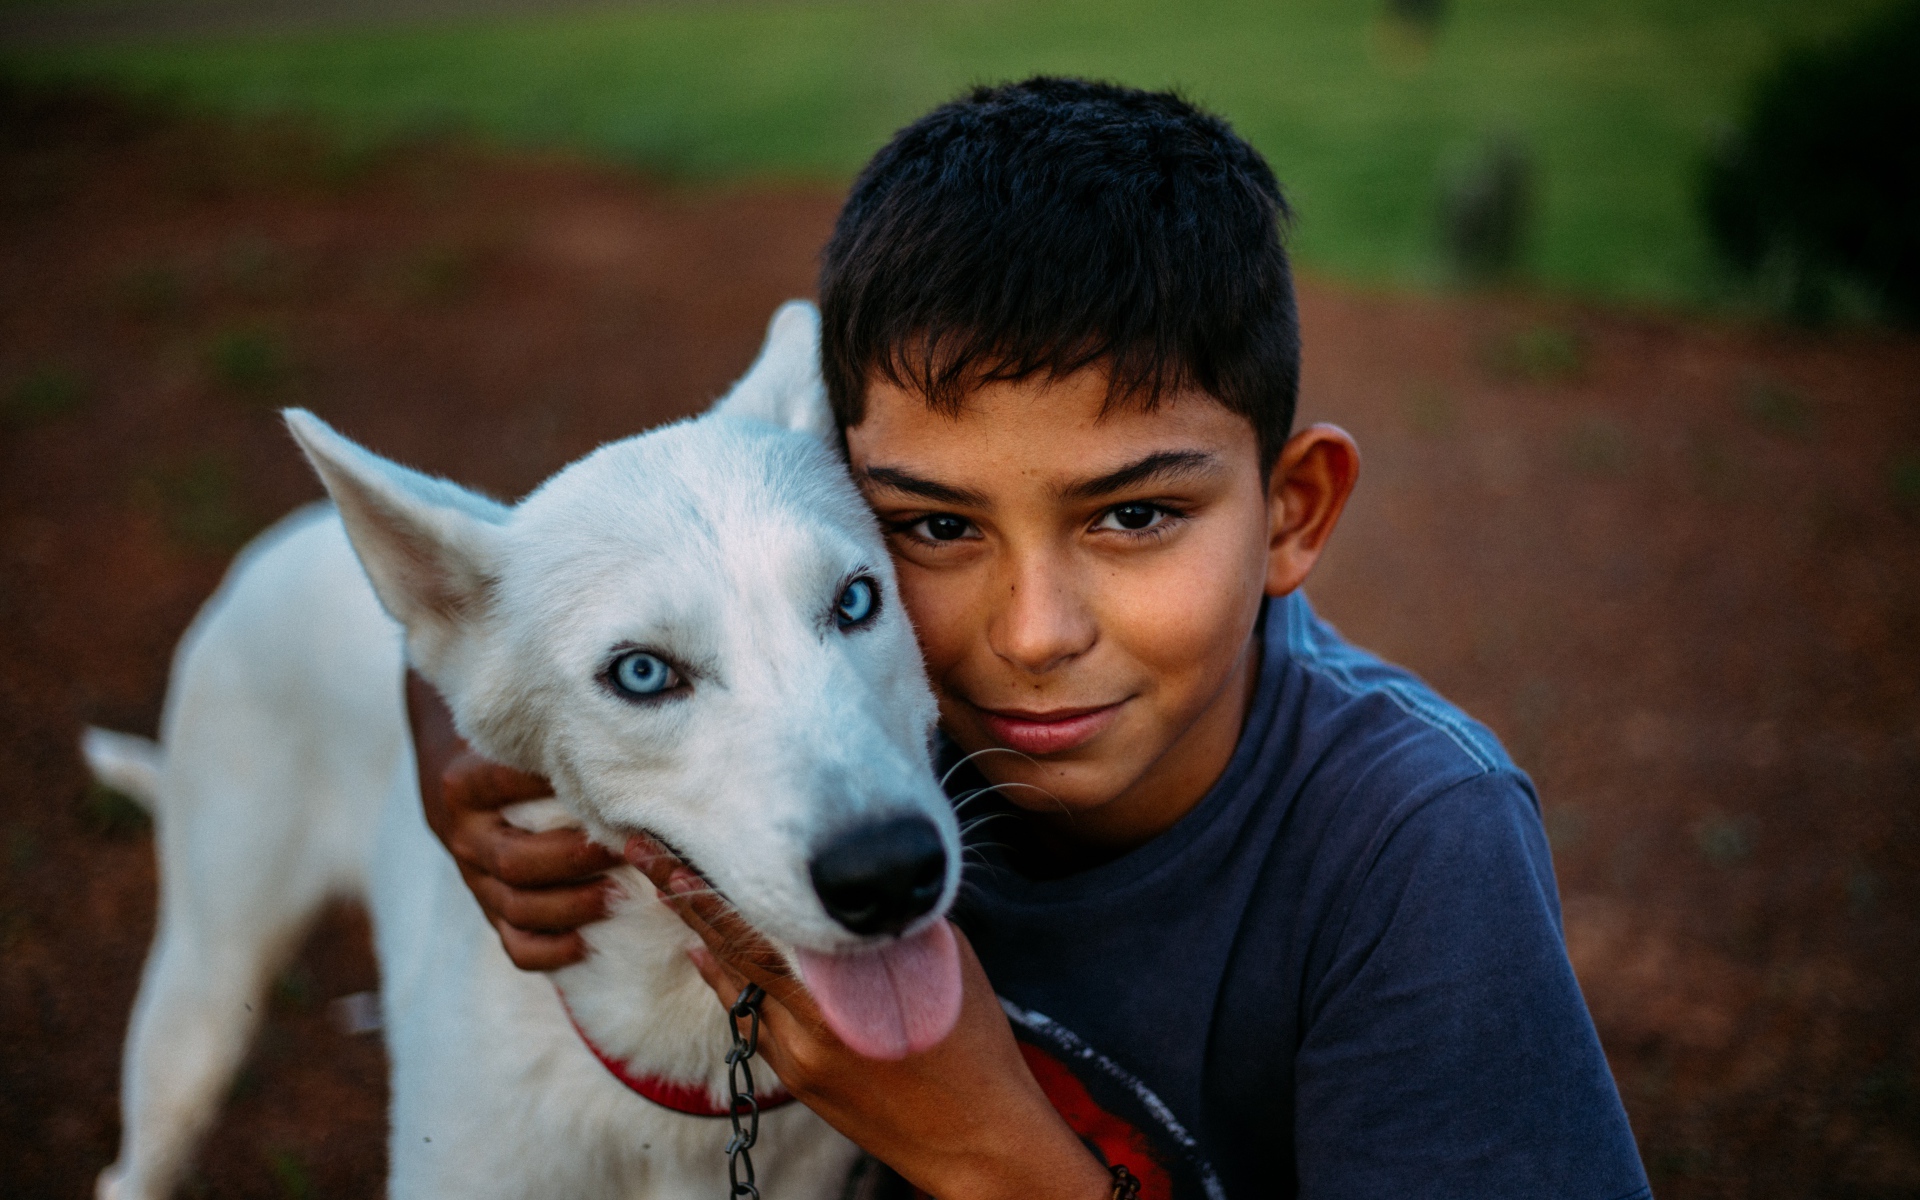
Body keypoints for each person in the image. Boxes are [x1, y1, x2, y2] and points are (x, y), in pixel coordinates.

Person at [407, 78, 1651, 1200]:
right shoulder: (873, 739)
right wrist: (474, 780)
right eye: (937, 526)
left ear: (1292, 511)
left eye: (1135, 514)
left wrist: (983, 1155)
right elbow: (632, 625)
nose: (1035, 634)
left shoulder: (1413, 844)